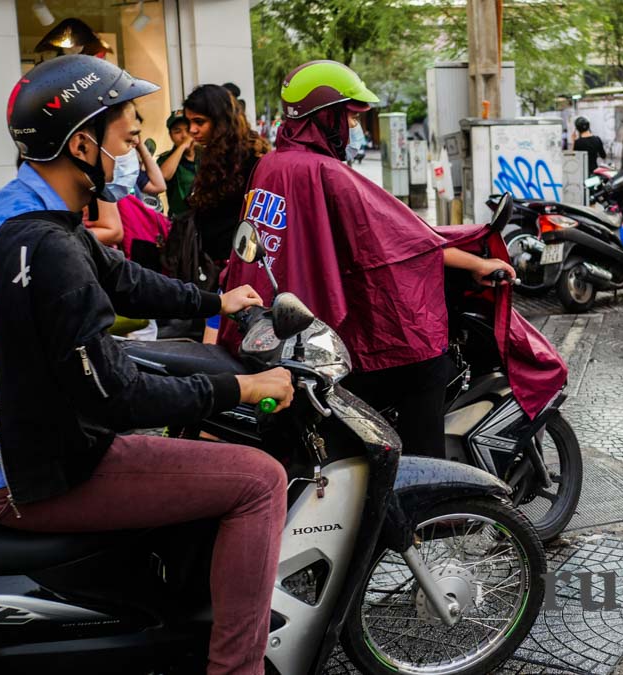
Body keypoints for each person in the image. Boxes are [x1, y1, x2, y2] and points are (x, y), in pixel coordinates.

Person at [0, 54, 295, 674]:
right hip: (17, 474)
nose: (135, 147)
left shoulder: (18, 212)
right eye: (125, 134)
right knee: (260, 480)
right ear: (82, 143)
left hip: (7, 444)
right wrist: (241, 389)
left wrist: (214, 299)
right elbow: (114, 395)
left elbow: (122, 279)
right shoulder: (47, 247)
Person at [220, 60, 517, 459]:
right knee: (427, 363)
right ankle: (427, 493)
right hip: (311, 339)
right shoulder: (326, 172)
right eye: (351, 118)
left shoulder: (271, 165)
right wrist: (478, 263)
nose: (355, 129)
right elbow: (403, 241)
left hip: (272, 326)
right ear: (326, 117)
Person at [184, 84, 271, 264]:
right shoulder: (210, 153)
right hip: (212, 260)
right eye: (189, 122)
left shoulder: (252, 157)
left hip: (237, 262)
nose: (192, 129)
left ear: (220, 121)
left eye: (199, 122)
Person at [157, 109, 198, 218]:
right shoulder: (165, 160)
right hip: (181, 222)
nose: (184, 135)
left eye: (187, 129)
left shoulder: (207, 155)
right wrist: (183, 146)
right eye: (177, 131)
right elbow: (164, 176)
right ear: (170, 136)